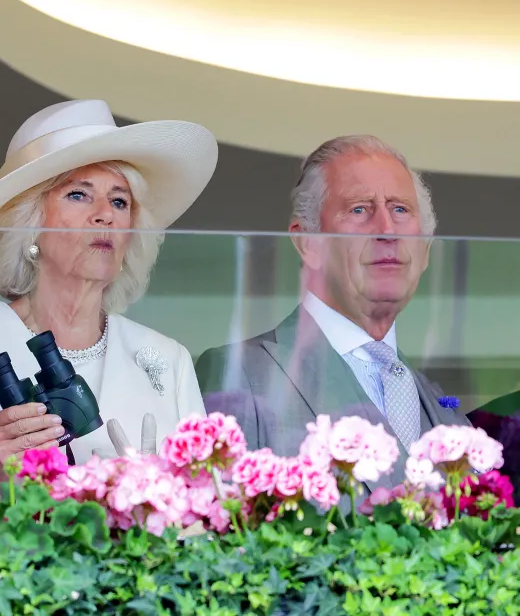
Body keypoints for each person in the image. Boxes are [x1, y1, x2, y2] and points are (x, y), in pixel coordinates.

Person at [0, 99, 218, 508]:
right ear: (30, 223)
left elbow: (211, 513)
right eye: (79, 195)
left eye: (119, 201)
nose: (105, 215)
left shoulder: (168, 360)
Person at [195, 135, 470, 489]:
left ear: (427, 248)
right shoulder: (241, 376)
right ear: (308, 242)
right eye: (359, 209)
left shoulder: (446, 412)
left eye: (400, 209)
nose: (387, 230)